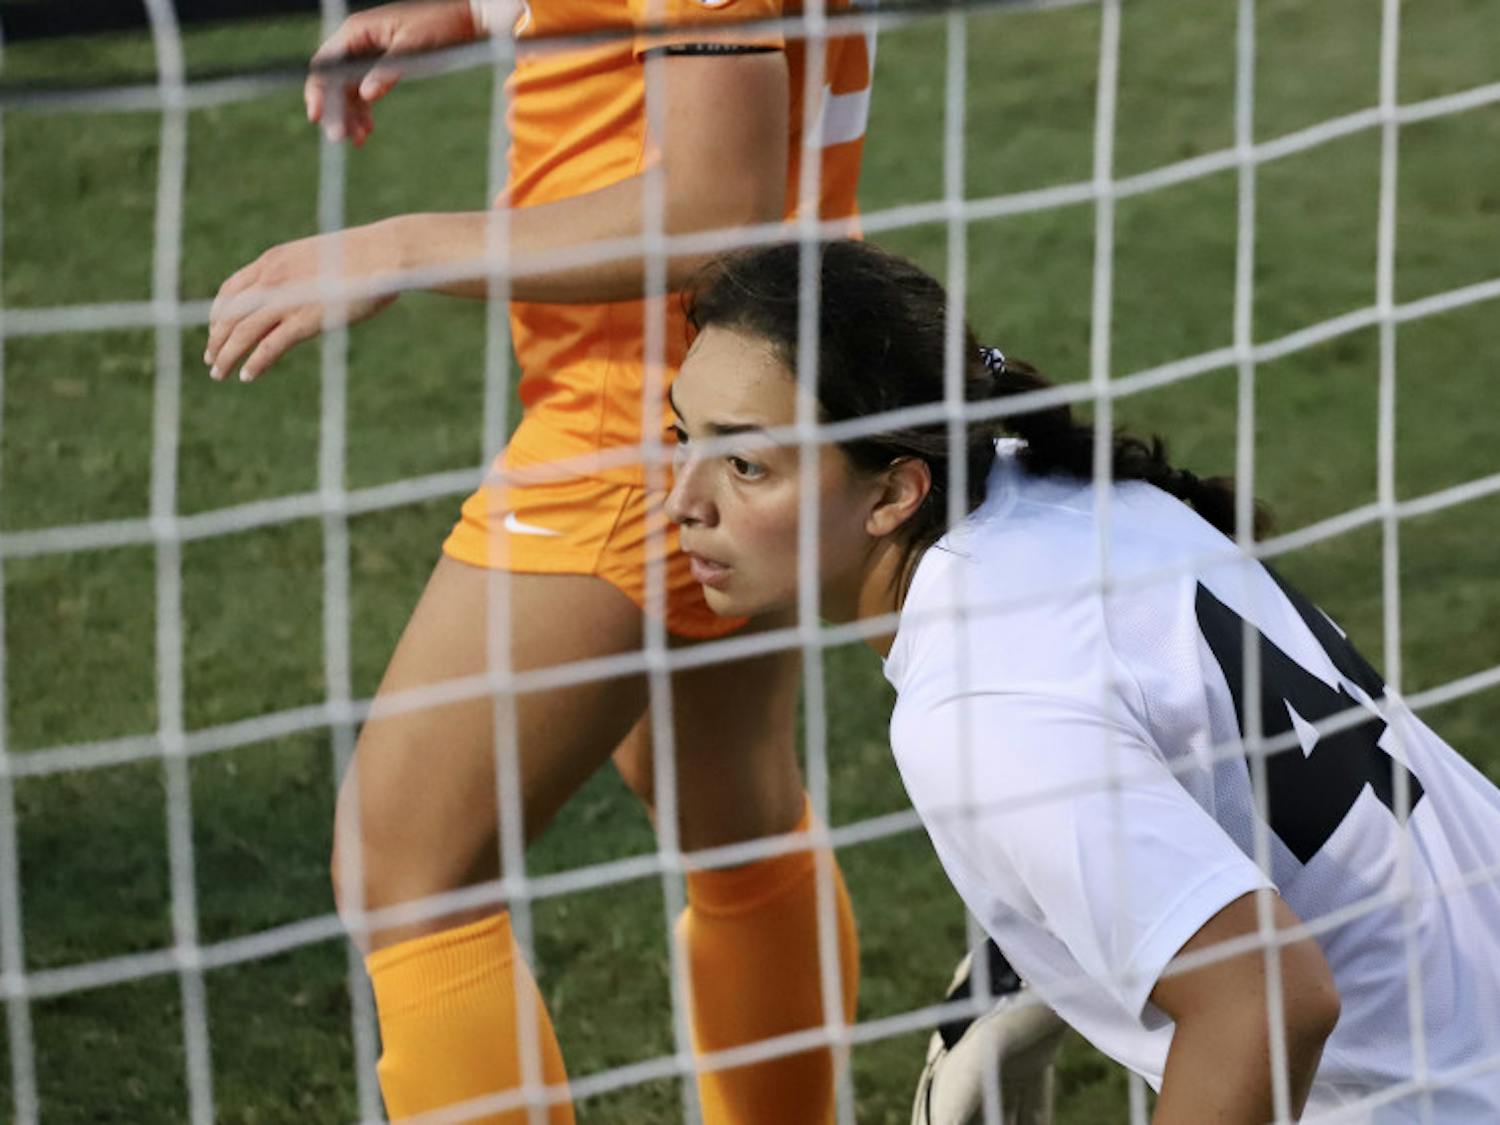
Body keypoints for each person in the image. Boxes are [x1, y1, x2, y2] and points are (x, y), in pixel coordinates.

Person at [203, 1, 874, 1121]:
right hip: (763, 387)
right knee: (730, 804)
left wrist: (400, 245)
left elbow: (715, 206)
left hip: (648, 426)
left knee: (405, 871)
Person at [664, 238, 1500, 1123]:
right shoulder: (1049, 481)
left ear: (895, 493)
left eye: (746, 464)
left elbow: (1268, 999)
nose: (684, 499)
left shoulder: (976, 705)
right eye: (682, 438)